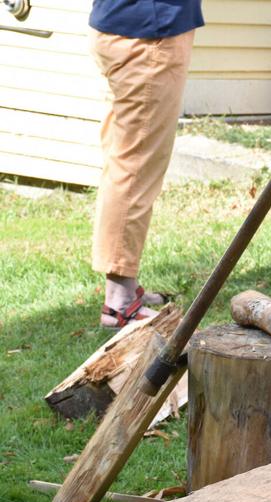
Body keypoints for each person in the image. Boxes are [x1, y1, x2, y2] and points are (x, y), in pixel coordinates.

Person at [88, 0, 203, 328]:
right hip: (147, 36)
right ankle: (119, 300)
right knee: (135, 167)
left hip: (128, 27)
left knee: (125, 161)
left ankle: (122, 282)